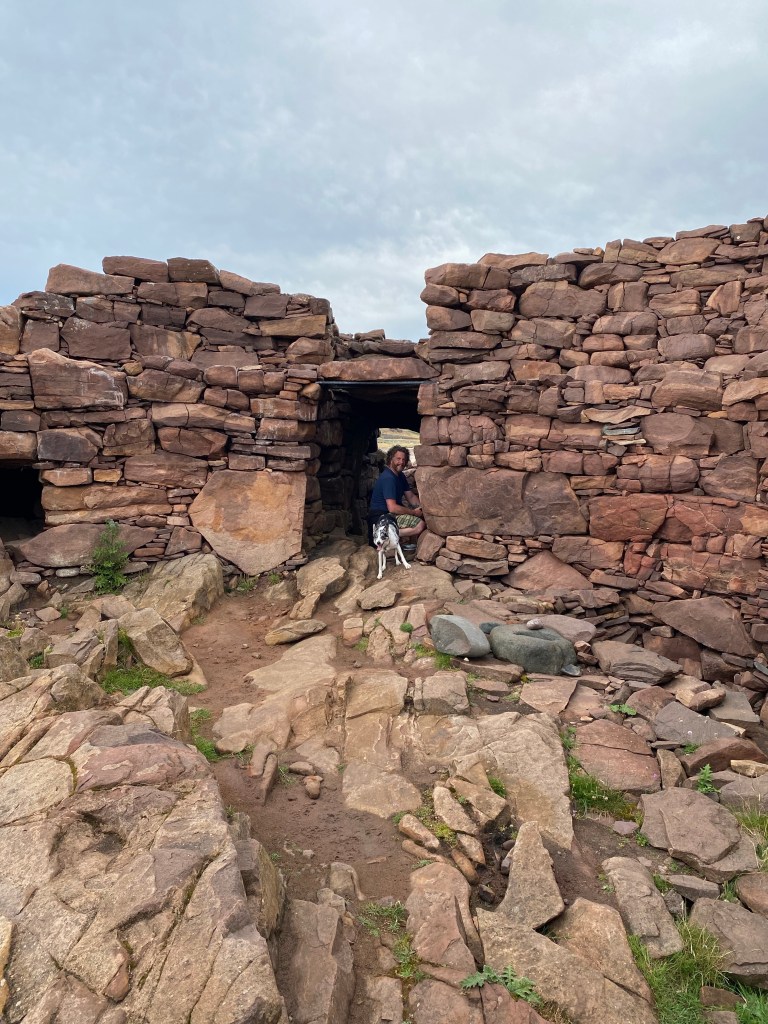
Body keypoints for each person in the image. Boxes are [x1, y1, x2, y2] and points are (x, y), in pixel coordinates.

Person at [368, 445, 426, 547]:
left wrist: (421, 509)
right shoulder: (388, 478)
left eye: (404, 459)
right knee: (419, 525)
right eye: (398, 459)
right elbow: (392, 507)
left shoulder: (400, 476)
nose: (401, 462)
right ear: (391, 459)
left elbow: (410, 496)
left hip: (389, 515)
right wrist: (413, 512)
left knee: (417, 518)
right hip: (381, 517)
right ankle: (384, 535)